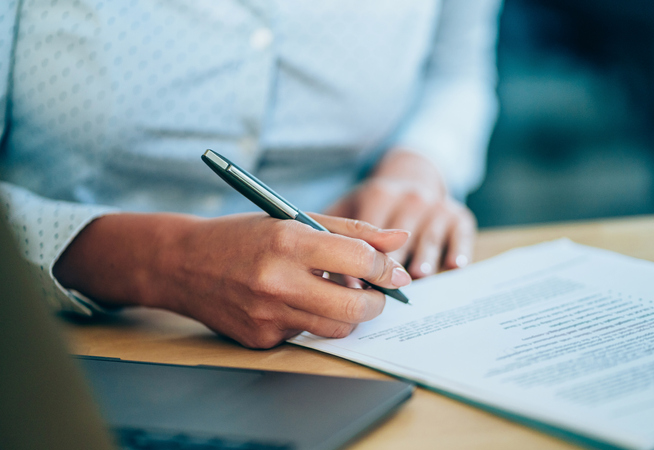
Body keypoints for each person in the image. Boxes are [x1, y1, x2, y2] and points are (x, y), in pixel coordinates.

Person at [0, 0, 500, 348]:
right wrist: (163, 262)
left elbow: (454, 73)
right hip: (54, 336)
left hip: (340, 335)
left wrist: (417, 166)